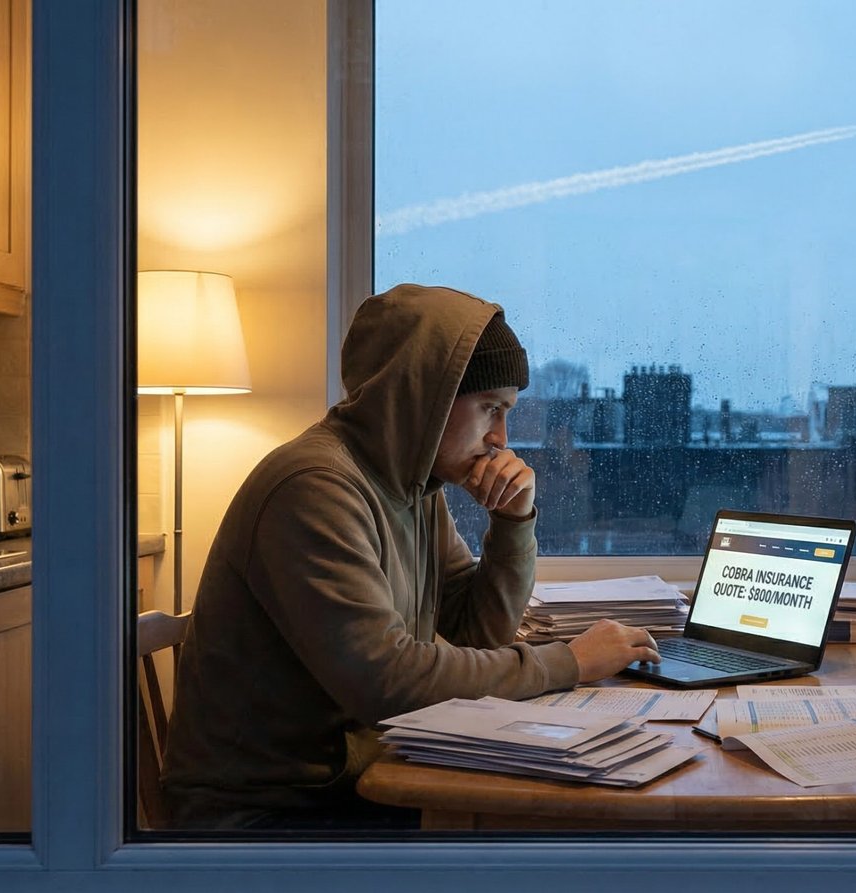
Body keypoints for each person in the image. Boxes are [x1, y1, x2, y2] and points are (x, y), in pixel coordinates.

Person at [162, 283, 662, 829]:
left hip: (347, 784)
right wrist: (570, 661)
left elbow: (477, 634)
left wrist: (514, 522)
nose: (501, 437)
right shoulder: (314, 488)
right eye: (490, 409)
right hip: (266, 813)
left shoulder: (411, 488)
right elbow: (389, 684)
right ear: (425, 397)